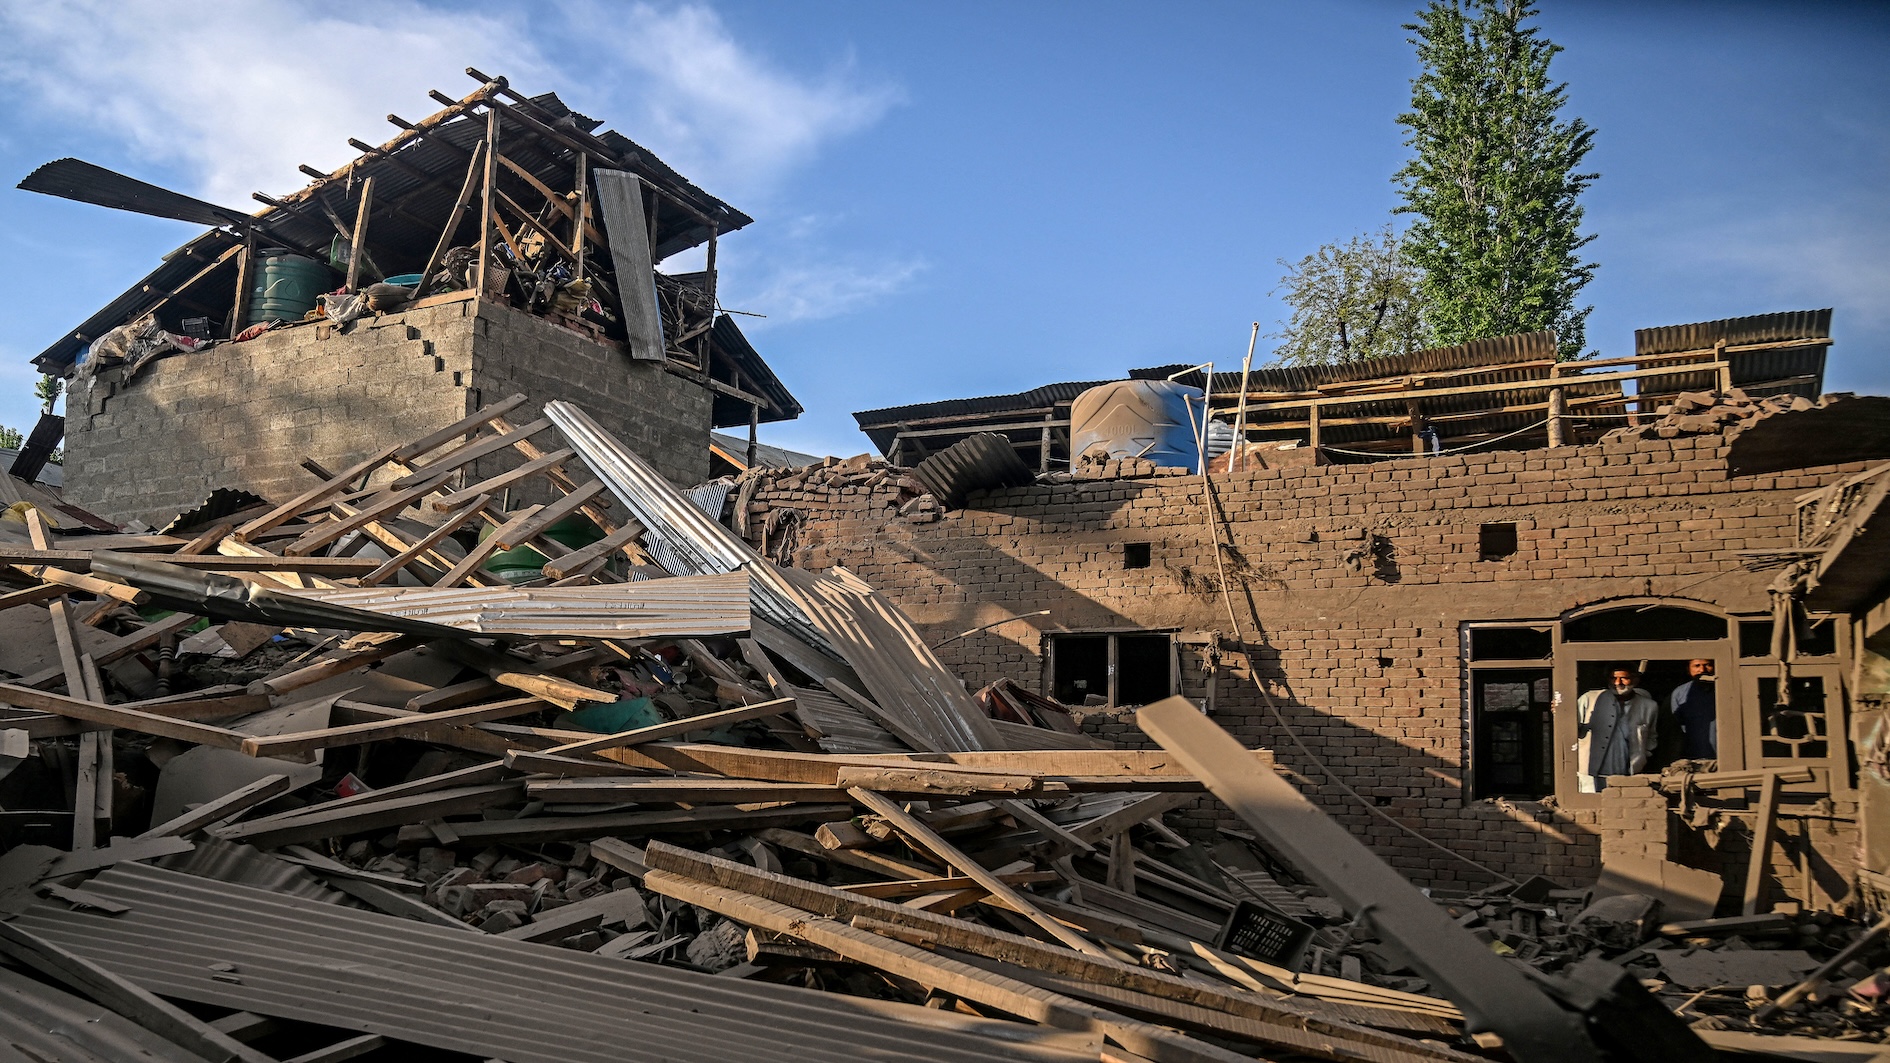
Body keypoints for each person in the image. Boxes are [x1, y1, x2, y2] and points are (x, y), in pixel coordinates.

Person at [1575, 666, 1659, 792]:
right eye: (1613, 678)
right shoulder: (1589, 699)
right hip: (1589, 773)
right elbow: (1571, 727)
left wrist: (1641, 757)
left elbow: (1651, 738)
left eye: (1624, 678)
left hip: (1627, 773)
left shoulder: (1648, 706)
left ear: (1635, 680)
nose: (1617, 683)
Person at [1670, 658, 1717, 760]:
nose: (1702, 670)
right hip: (1693, 756)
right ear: (1688, 669)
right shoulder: (1680, 693)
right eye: (1697, 666)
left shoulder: (1724, 689)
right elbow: (1677, 727)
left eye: (1707, 665)